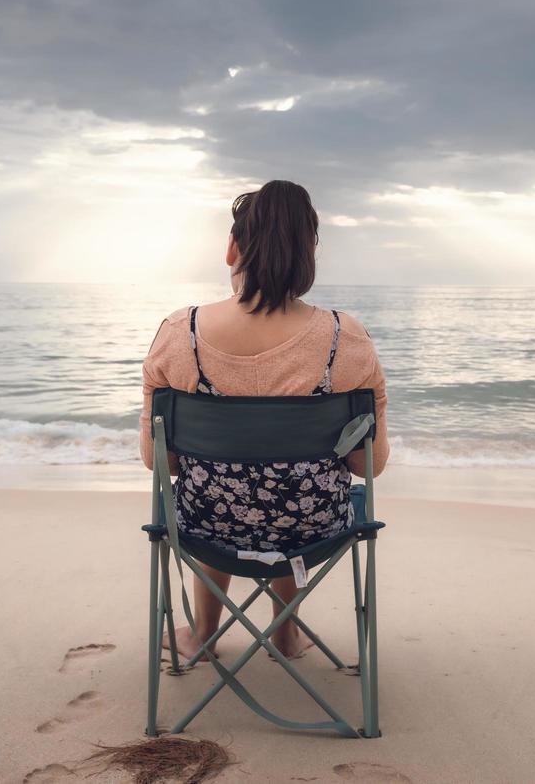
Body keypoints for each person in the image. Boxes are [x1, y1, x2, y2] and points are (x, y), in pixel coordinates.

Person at [140, 179, 390, 661]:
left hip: (206, 527)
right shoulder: (346, 338)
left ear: (232, 249)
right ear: (307, 256)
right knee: (294, 492)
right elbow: (367, 467)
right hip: (313, 528)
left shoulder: (179, 333)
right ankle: (285, 630)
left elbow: (159, 461)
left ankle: (203, 635)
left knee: (210, 490)